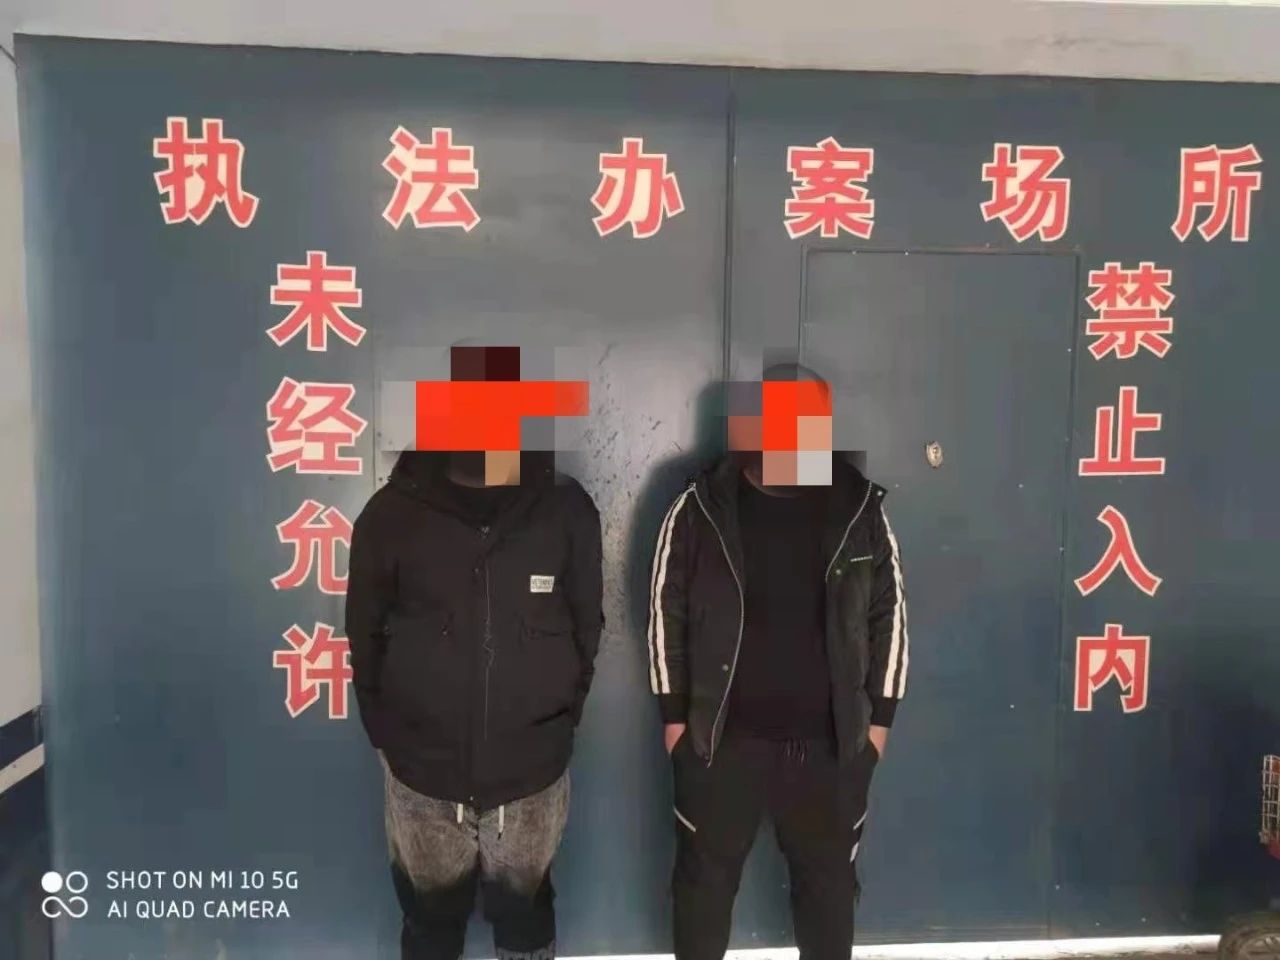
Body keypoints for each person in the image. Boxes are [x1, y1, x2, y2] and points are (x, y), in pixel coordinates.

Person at [647, 363, 909, 960]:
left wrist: (876, 729)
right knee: (701, 894)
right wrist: (675, 722)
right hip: (721, 746)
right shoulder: (700, 508)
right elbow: (665, 612)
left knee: (829, 896)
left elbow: (890, 618)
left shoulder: (859, 508)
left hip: (830, 749)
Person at [346, 444, 603, 960]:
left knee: (526, 919)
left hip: (531, 781)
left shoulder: (565, 508)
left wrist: (555, 727)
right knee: (430, 924)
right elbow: (364, 635)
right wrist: (388, 739)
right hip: (422, 780)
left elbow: (586, 628)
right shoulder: (390, 514)